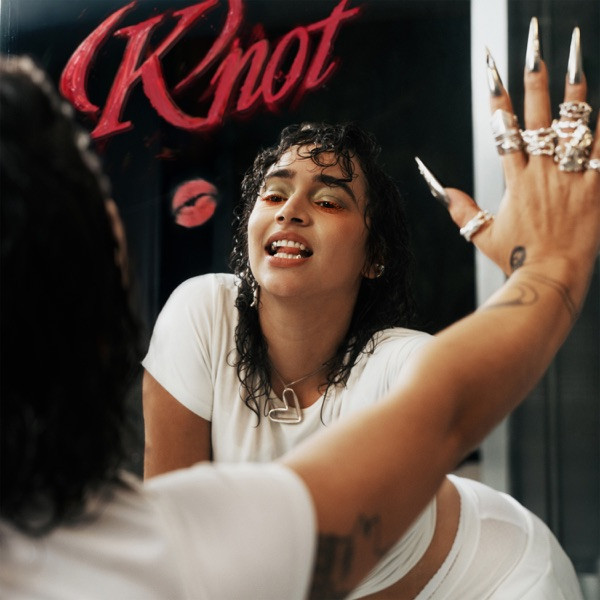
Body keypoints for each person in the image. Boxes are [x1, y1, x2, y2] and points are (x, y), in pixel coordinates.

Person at [1, 25, 598, 597]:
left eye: (329, 200)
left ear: (374, 256)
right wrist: (552, 264)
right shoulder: (157, 557)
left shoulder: (389, 362)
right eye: (274, 192)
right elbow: (448, 412)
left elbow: (443, 396)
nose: (290, 210)